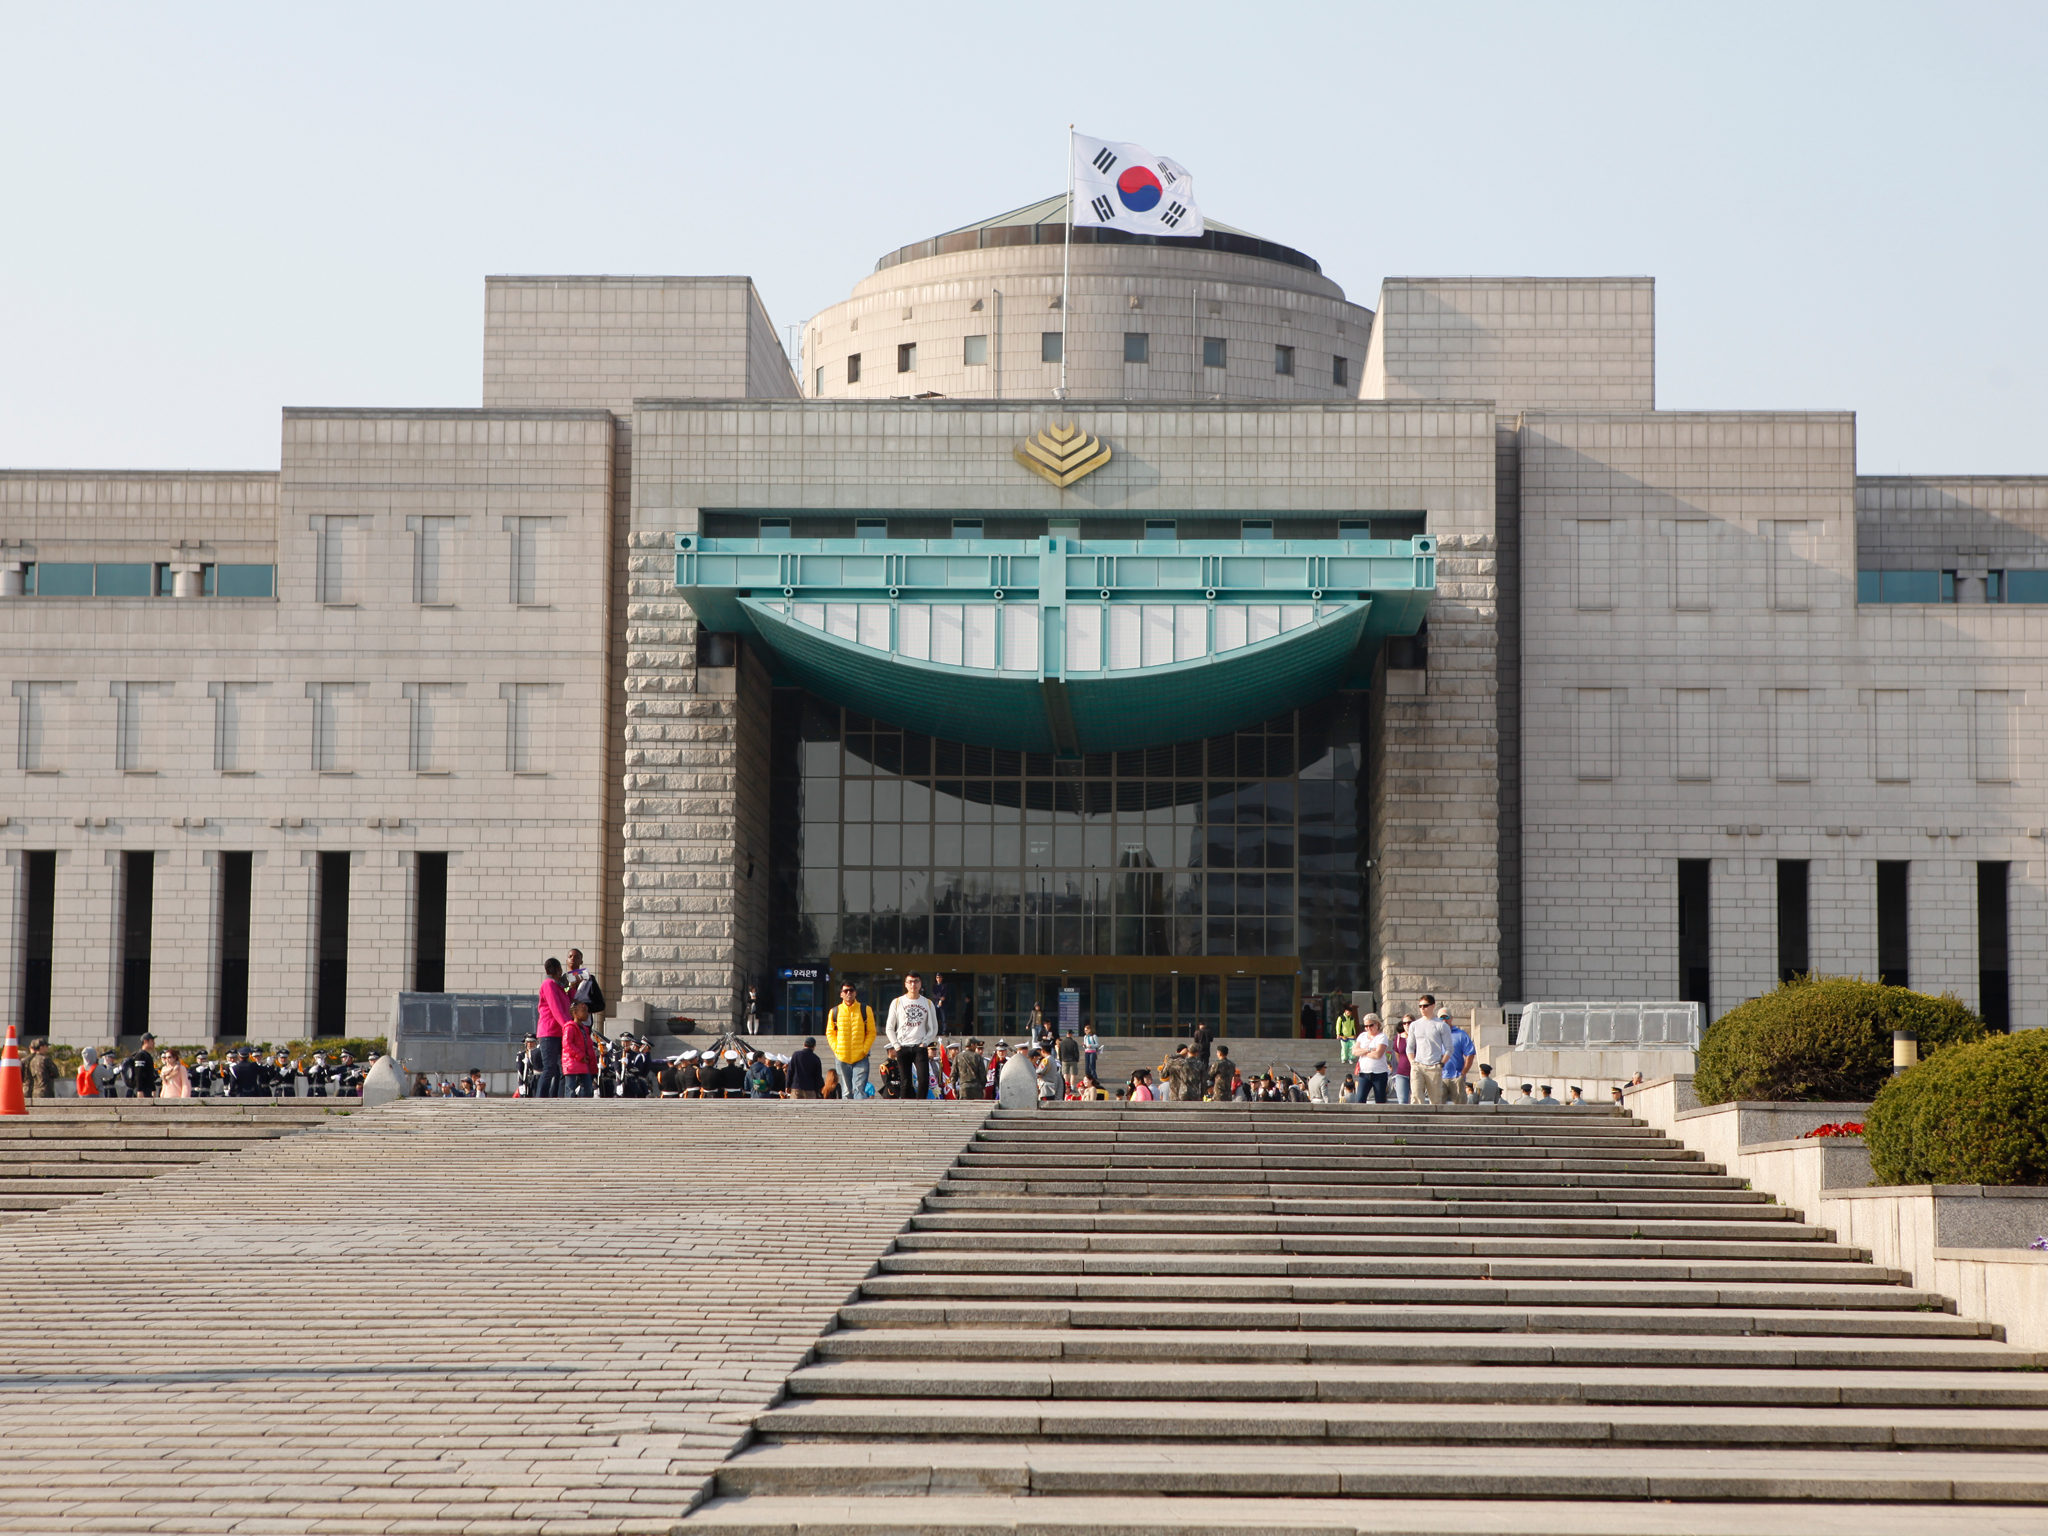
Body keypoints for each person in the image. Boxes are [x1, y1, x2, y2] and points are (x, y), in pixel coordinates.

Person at [885, 973, 938, 1101]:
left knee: (924, 1079)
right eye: (910, 982)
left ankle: (920, 1105)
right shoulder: (897, 1002)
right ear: (905, 984)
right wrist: (896, 1045)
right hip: (903, 1047)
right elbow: (889, 1028)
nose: (913, 984)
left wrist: (924, 1043)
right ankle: (905, 1108)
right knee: (905, 1081)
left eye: (916, 981)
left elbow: (933, 1028)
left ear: (920, 984)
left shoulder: (928, 1003)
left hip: (919, 1046)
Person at [826, 982, 876, 1102]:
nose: (849, 993)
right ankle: (847, 1117)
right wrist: (836, 1049)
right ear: (841, 994)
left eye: (851, 990)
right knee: (846, 1091)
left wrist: (864, 1049)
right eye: (845, 991)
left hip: (860, 1057)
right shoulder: (834, 1011)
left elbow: (871, 1032)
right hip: (842, 1057)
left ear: (855, 993)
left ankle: (859, 1117)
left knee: (859, 1089)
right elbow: (830, 1033)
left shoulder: (865, 1009)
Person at [536, 957, 572, 1099]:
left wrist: (571, 986)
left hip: (560, 1032)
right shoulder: (548, 985)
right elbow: (556, 1008)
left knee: (563, 1068)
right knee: (550, 1068)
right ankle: (540, 1098)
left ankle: (559, 1097)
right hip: (549, 1032)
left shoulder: (558, 986)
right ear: (558, 970)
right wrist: (567, 1027)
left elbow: (567, 1000)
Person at [1406, 996, 1451, 1108]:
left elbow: (1449, 1048)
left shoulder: (1441, 1025)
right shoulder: (1414, 1025)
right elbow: (1410, 1047)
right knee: (1416, 1097)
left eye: (1425, 1006)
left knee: (1435, 1100)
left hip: (1434, 1066)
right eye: (1420, 1006)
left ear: (1433, 1006)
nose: (1422, 1008)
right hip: (1418, 1065)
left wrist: (1441, 1064)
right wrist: (1412, 1062)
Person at [564, 948, 606, 1037]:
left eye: (576, 957)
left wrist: (583, 1007)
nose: (572, 959)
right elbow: (562, 994)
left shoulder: (589, 979)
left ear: (581, 961)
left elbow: (600, 1005)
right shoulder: (562, 979)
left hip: (584, 1025)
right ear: (566, 960)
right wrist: (570, 987)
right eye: (570, 956)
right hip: (566, 1022)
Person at [560, 1000, 597, 1096]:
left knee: (588, 1087)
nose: (587, 1014)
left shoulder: (584, 1029)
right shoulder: (570, 1027)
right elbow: (567, 1044)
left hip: (583, 1062)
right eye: (584, 1011)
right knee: (570, 1088)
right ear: (575, 1013)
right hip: (572, 1062)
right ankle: (569, 1107)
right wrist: (580, 1055)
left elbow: (589, 1046)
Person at [1352, 1014, 1390, 1104]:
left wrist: (1362, 1052)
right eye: (1366, 1026)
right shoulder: (1362, 1036)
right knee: (1360, 1099)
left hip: (1379, 1073)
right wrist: (1368, 1050)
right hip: (1364, 1073)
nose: (1368, 1028)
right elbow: (1354, 1051)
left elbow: (1378, 1054)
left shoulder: (1382, 1037)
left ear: (1377, 1024)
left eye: (1371, 1025)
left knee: (1380, 1100)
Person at [1442, 1013, 1475, 1106]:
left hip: (1456, 1077)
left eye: (1446, 1017)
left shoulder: (1461, 1034)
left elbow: (1470, 1054)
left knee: (1460, 1108)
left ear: (1451, 1018)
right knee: (1437, 1107)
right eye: (1442, 1018)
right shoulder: (1436, 1035)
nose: (1444, 1020)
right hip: (1440, 1077)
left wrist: (1463, 1073)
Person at [121, 1035, 159, 1099]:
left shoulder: (147, 1055)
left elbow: (150, 1074)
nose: (154, 1043)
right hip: (142, 1089)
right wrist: (139, 1090)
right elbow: (138, 1073)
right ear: (145, 1041)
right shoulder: (140, 1055)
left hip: (147, 1088)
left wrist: (153, 1089)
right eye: (152, 1041)